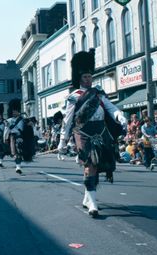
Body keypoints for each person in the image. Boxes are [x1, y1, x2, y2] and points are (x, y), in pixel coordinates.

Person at [58, 50, 127, 217]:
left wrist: (119, 115)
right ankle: (93, 204)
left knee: (97, 165)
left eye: (90, 76)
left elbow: (110, 107)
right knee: (90, 164)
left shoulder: (98, 93)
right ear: (79, 78)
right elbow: (67, 121)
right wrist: (62, 141)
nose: (88, 79)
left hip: (100, 131)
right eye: (85, 77)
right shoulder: (74, 97)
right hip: (83, 133)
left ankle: (87, 197)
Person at [4, 98, 25, 174]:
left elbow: (26, 129)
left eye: (16, 110)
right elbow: (6, 130)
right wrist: (5, 138)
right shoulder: (8, 120)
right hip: (13, 137)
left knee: (20, 152)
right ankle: (18, 166)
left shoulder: (22, 119)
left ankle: (18, 166)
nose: (14, 112)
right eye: (13, 110)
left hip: (21, 137)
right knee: (15, 153)